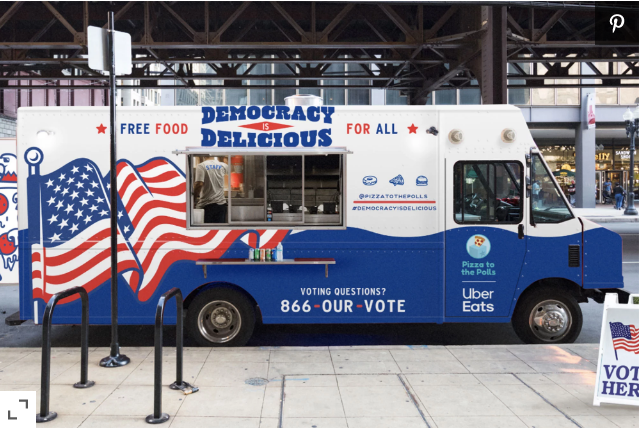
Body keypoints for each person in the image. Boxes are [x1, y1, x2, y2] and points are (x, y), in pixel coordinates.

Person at [193, 156, 229, 223]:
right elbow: (231, 173)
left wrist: (192, 200)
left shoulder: (201, 166)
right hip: (221, 205)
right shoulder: (223, 165)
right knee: (218, 231)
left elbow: (199, 184)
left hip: (207, 206)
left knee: (206, 231)